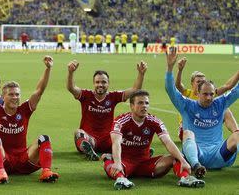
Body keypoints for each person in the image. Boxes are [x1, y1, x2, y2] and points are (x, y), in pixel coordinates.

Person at [0, 55, 59, 184]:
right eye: (11, 94)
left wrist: (48, 69)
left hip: (22, 160)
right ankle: (1, 172)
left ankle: (46, 171)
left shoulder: (25, 109)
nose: (15, 97)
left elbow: (39, 91)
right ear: (3, 96)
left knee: (44, 138)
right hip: (1, 160)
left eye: (17, 94)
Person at [102, 90, 204, 190]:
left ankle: (185, 178)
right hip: (124, 162)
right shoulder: (120, 121)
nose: (144, 106)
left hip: (145, 163)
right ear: (132, 106)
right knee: (109, 161)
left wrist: (182, 160)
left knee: (176, 156)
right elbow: (116, 143)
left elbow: (167, 142)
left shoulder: (154, 121)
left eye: (146, 103)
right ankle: (121, 179)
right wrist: (118, 163)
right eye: (140, 103)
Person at [165, 48, 239, 178]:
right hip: (197, 155)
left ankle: (197, 166)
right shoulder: (187, 105)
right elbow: (171, 90)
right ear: (197, 93)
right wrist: (170, 68)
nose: (209, 97)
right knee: (187, 133)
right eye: (205, 94)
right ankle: (196, 166)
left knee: (237, 134)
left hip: (219, 155)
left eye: (211, 94)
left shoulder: (220, 103)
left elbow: (235, 90)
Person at [67, 60, 147, 160]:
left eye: (104, 82)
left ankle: (140, 152)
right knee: (78, 133)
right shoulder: (86, 95)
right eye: (97, 82)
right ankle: (91, 152)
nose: (100, 85)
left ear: (108, 84)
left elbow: (135, 90)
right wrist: (71, 72)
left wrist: (141, 74)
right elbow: (71, 88)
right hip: (91, 139)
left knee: (126, 134)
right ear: (93, 83)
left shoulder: (113, 96)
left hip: (109, 140)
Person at [175, 57, 238, 141]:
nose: (201, 83)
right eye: (198, 81)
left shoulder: (209, 94)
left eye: (203, 82)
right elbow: (178, 86)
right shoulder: (187, 93)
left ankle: (237, 133)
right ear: (192, 83)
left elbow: (228, 86)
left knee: (225, 110)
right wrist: (180, 70)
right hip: (187, 130)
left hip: (203, 126)